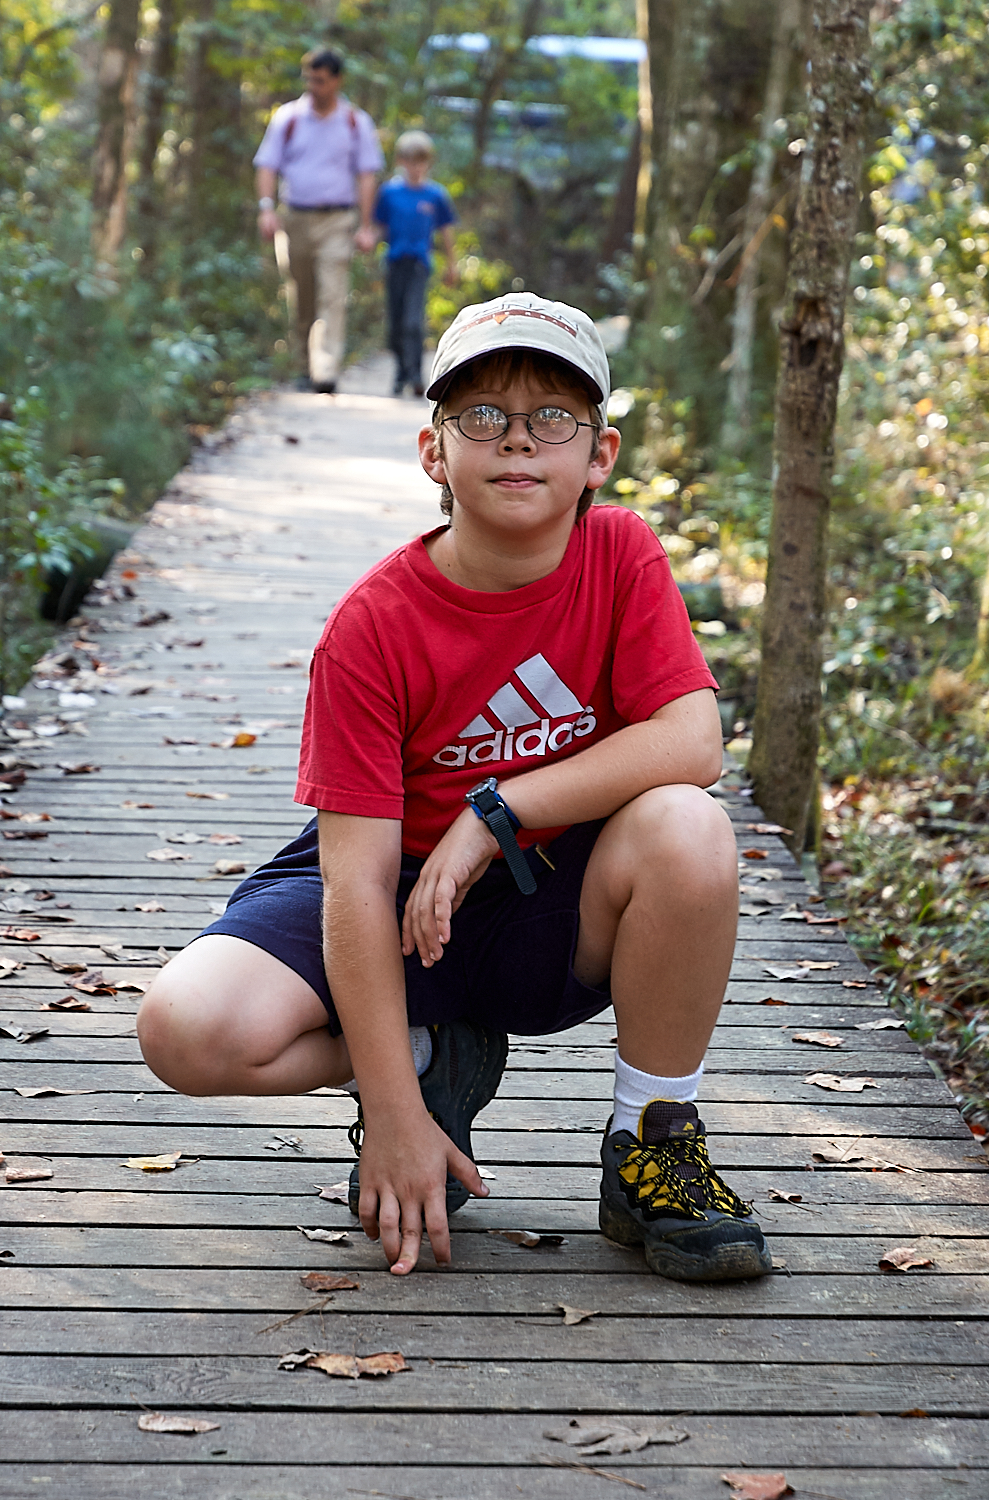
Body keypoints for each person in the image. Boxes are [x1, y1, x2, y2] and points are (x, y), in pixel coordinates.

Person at [137, 291, 771, 1287]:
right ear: (434, 452)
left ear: (598, 454)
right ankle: (425, 1057)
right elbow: (354, 883)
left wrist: (497, 812)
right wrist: (393, 1111)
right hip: (392, 890)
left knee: (688, 826)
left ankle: (652, 1144)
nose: (517, 440)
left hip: (548, 898)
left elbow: (693, 742)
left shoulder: (620, 554)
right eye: (482, 415)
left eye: (551, 417)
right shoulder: (372, 626)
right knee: (184, 1028)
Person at [254, 47, 384, 394]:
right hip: (294, 217)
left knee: (332, 293)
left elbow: (367, 175)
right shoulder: (288, 118)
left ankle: (325, 370)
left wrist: (366, 226)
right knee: (301, 295)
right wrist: (266, 209)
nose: (314, 86)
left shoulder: (355, 122)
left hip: (337, 219)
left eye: (321, 80)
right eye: (309, 79)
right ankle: (302, 365)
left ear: (337, 81)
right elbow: (267, 165)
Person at [375, 131, 458, 397]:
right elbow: (378, 227)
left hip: (419, 264)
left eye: (420, 161)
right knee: (396, 323)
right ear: (401, 161)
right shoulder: (389, 193)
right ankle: (401, 372)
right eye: (410, 161)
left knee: (413, 321)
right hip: (394, 262)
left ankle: (416, 374)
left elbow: (446, 231)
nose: (415, 167)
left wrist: (452, 264)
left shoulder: (435, 195)